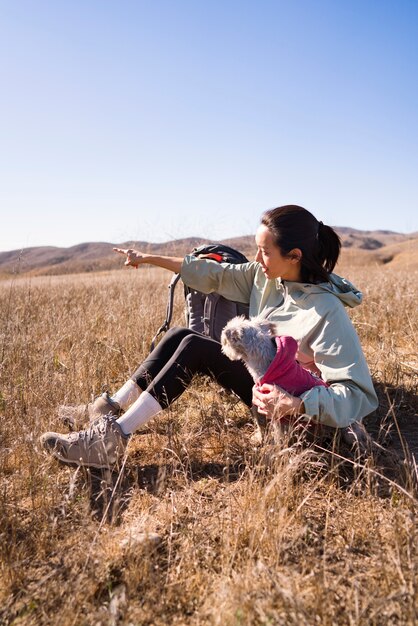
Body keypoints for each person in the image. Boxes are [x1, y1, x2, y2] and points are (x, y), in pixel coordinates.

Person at [40, 205, 378, 469]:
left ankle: (110, 441)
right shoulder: (269, 278)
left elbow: (358, 394)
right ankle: (109, 406)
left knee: (194, 347)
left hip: (293, 408)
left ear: (295, 257)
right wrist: (148, 259)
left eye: (265, 252)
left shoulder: (327, 312)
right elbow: (214, 274)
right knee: (181, 334)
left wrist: (298, 404)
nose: (256, 259)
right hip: (264, 384)